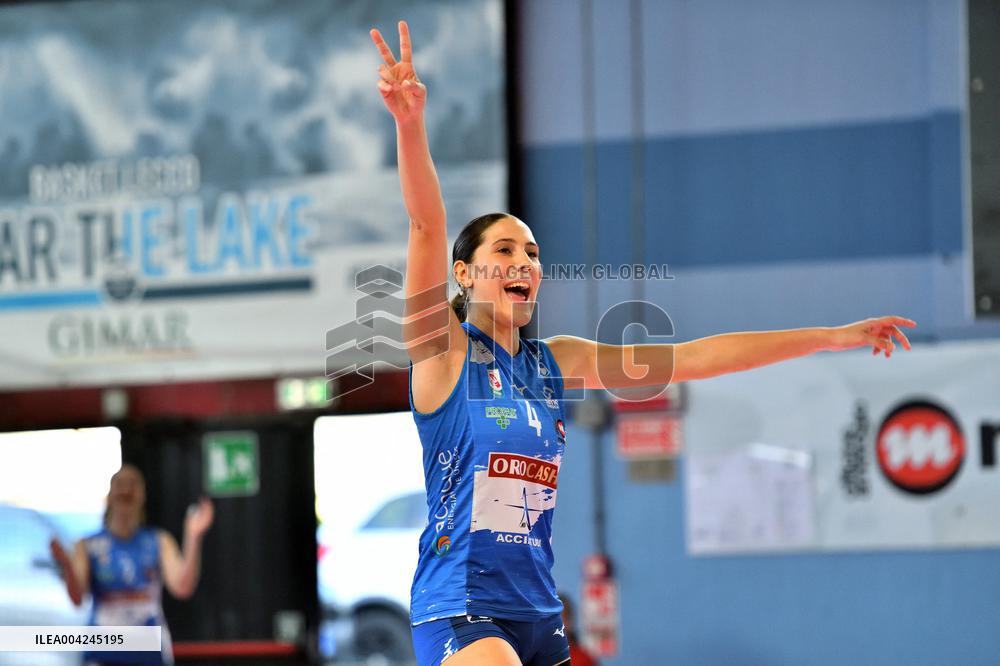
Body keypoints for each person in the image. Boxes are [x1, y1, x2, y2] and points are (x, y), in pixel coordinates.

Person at [370, 21, 914, 666]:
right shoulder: (443, 354)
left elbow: (692, 357)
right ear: (464, 273)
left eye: (535, 253)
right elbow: (427, 226)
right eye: (505, 249)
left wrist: (830, 336)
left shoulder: (554, 362)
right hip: (462, 605)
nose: (525, 262)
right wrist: (409, 123)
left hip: (540, 613)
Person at [50, 463, 214, 666]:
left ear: (143, 495)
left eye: (133, 484)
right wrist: (67, 565)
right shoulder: (87, 545)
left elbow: (182, 587)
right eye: (120, 484)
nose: (126, 490)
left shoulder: (158, 540)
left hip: (148, 648)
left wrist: (193, 536)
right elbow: (77, 597)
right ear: (109, 495)